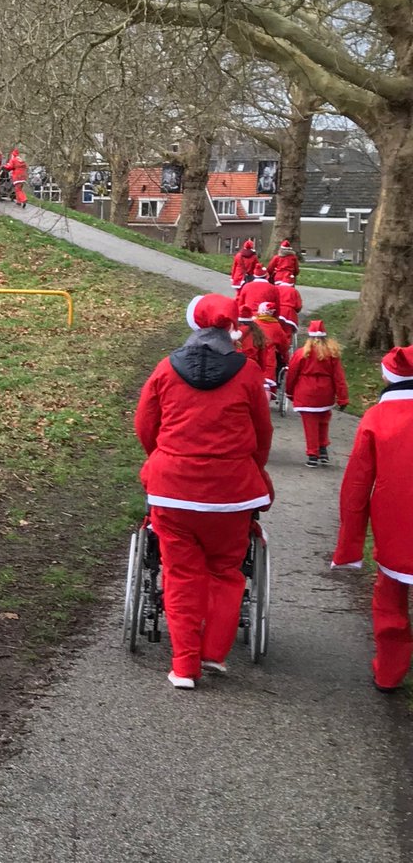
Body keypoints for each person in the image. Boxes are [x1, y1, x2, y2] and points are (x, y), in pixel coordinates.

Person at [135, 294, 273, 689]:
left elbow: (146, 424)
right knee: (226, 571)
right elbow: (262, 435)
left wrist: (162, 457)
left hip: (173, 490)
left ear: (193, 326)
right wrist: (255, 469)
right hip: (231, 494)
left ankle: (184, 665)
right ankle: (214, 652)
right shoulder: (247, 374)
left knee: (180, 574)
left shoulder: (165, 369)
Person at [332, 346, 413, 692]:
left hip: (397, 525)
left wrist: (350, 546)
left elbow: (356, 487)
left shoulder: (378, 418)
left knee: (390, 601)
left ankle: (389, 673)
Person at [285, 320, 349, 467]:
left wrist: (290, 392)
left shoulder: (301, 353)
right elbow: (339, 377)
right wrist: (343, 398)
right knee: (323, 421)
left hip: (306, 392)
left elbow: (292, 374)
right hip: (325, 393)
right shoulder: (331, 354)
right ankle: (323, 449)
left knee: (310, 424)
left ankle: (313, 454)